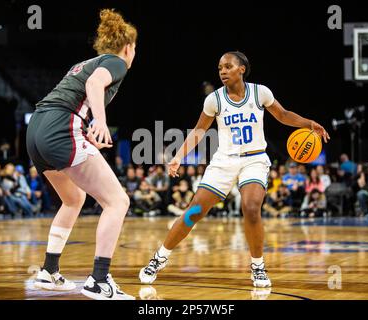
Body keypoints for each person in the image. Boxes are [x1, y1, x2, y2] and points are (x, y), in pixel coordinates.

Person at [139, 51, 329, 287]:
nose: (222, 71)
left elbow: (283, 115)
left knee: (250, 207)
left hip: (255, 159)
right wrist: (178, 157)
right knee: (193, 212)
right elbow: (199, 131)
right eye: (220, 68)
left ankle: (258, 266)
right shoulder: (214, 100)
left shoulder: (260, 92)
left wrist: (309, 123)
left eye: (228, 66)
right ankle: (159, 258)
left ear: (242, 69)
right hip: (224, 161)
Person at [25, 9, 137, 300]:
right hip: (60, 127)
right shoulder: (116, 62)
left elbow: (74, 99)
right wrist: (100, 122)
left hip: (36, 129)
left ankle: (49, 271)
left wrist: (88, 131)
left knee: (74, 198)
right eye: (135, 49)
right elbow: (93, 86)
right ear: (128, 47)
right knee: (117, 201)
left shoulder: (84, 62)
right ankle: (99, 281)